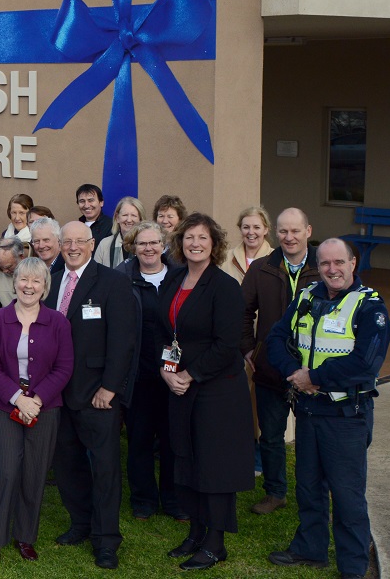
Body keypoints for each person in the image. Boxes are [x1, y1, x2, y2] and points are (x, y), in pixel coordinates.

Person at [265, 238, 388, 579]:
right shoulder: (306, 297)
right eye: (324, 264)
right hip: (307, 409)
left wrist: (314, 377)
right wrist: (295, 374)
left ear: (353, 264)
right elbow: (276, 338)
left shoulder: (370, 306)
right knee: (308, 484)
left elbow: (366, 363)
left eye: (339, 262)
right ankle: (310, 548)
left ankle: (352, 567)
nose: (332, 270)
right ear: (316, 266)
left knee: (347, 496)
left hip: (346, 416)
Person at [156, 213, 254, 571]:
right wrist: (168, 373)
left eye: (202, 238)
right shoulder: (175, 279)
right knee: (186, 459)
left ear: (214, 245)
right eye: (188, 238)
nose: (194, 243)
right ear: (180, 242)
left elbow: (227, 344)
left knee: (214, 467)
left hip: (217, 392)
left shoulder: (225, 286)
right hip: (179, 387)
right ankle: (195, 533)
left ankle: (215, 543)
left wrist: (190, 374)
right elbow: (163, 333)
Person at [43, 220, 137, 570]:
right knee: (67, 465)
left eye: (78, 241)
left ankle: (106, 539)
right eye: (66, 241)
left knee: (105, 469)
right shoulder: (51, 281)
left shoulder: (113, 282)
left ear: (91, 243)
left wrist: (110, 387)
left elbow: (123, 340)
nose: (71, 247)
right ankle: (80, 523)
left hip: (98, 395)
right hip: (58, 394)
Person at [0, 257, 74, 566]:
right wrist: (17, 398)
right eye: (24, 280)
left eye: (36, 281)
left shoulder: (58, 322)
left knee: (34, 472)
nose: (29, 286)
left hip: (45, 407)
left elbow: (64, 368)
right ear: (14, 283)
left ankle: (25, 536)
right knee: (5, 471)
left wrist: (37, 399)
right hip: (1, 403)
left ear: (45, 287)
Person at [240, 208, 318, 516]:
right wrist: (249, 349)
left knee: (311, 438)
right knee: (270, 435)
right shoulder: (261, 268)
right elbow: (243, 312)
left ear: (308, 231)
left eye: (295, 231)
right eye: (283, 231)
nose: (289, 237)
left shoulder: (321, 267)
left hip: (313, 372)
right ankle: (275, 493)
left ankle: (311, 493)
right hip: (270, 368)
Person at [117, 222, 184, 520]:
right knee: (140, 440)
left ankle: (173, 499)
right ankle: (143, 499)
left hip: (174, 371)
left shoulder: (179, 276)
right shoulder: (122, 277)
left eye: (154, 243)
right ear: (133, 247)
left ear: (164, 245)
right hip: (139, 373)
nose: (148, 249)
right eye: (142, 244)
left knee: (172, 441)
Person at [223, 205, 273, 283]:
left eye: (256, 227)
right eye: (246, 227)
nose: (251, 232)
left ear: (265, 230)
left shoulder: (276, 259)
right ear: (240, 229)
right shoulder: (225, 258)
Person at [93, 196, 144, 268]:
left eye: (133, 215)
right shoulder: (104, 244)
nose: (129, 220)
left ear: (140, 219)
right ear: (117, 218)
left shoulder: (147, 245)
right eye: (125, 215)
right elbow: (96, 273)